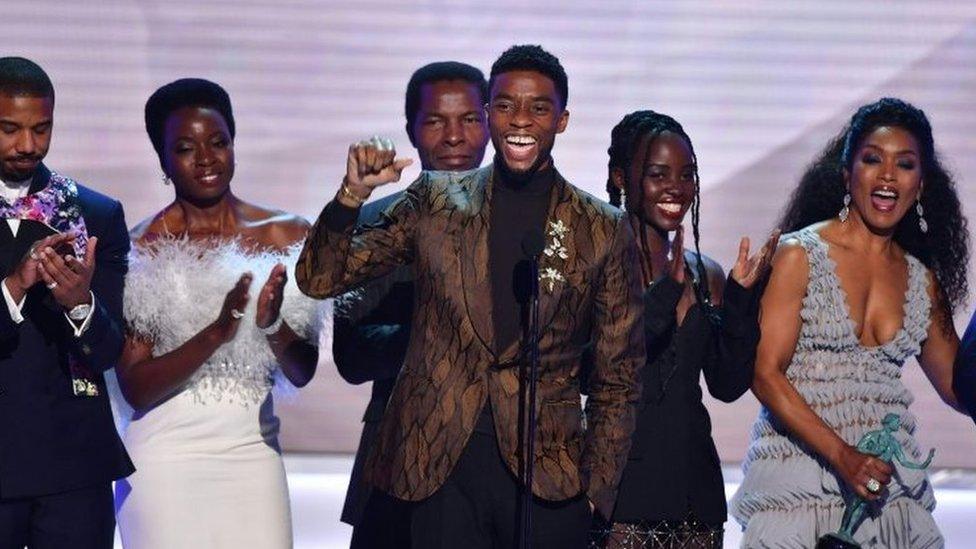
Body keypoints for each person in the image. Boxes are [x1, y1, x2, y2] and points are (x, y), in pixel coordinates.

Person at [297, 45, 644, 548]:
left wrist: (596, 489)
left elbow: (619, 377)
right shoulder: (437, 201)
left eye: (538, 108)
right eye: (505, 106)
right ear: (489, 114)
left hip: (548, 477)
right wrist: (351, 196)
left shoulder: (601, 229)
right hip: (439, 471)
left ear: (562, 120)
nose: (519, 121)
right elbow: (320, 279)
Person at [730, 97, 971, 548]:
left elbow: (961, 388)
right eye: (872, 160)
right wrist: (843, 456)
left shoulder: (923, 281)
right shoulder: (800, 255)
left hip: (888, 492)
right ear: (847, 173)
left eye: (905, 164)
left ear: (920, 185)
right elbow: (764, 374)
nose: (887, 176)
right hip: (800, 486)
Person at [112, 78, 321, 549]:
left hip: (253, 454)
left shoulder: (287, 234)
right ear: (163, 160)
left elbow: (302, 371)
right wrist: (216, 333)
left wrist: (270, 325)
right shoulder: (142, 248)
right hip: (164, 463)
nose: (206, 158)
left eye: (218, 142)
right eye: (185, 148)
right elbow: (135, 387)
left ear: (233, 142)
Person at [588, 110, 778, 548]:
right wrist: (659, 301)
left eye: (687, 174)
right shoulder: (598, 268)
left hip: (696, 497)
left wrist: (741, 302)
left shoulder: (703, 273)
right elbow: (593, 371)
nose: (676, 187)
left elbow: (727, 384)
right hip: (621, 498)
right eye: (658, 174)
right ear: (621, 178)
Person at [332, 61, 490, 547]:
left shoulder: (527, 223)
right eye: (436, 121)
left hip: (502, 464)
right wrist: (429, 329)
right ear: (412, 132)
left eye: (469, 119)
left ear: (489, 124)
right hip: (399, 460)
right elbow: (351, 357)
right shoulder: (379, 223)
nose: (454, 137)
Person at [0, 56, 133, 549]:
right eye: (10, 129)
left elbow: (110, 351)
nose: (28, 145)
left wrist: (82, 306)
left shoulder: (95, 213)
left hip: (73, 463)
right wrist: (14, 285)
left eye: (41, 129)